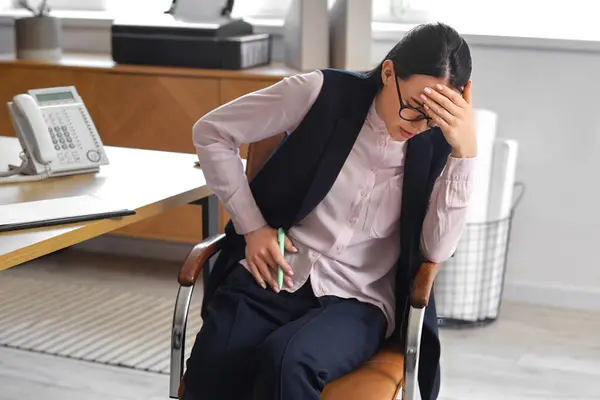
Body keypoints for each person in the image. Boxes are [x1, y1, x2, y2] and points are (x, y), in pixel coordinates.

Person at [183, 22, 476, 400]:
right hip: (276, 273)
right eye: (414, 108)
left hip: (359, 299)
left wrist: (464, 153)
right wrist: (253, 226)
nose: (419, 125)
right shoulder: (321, 93)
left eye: (434, 115)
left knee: (289, 361)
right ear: (389, 73)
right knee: (214, 363)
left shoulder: (441, 143)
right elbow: (211, 132)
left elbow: (436, 251)